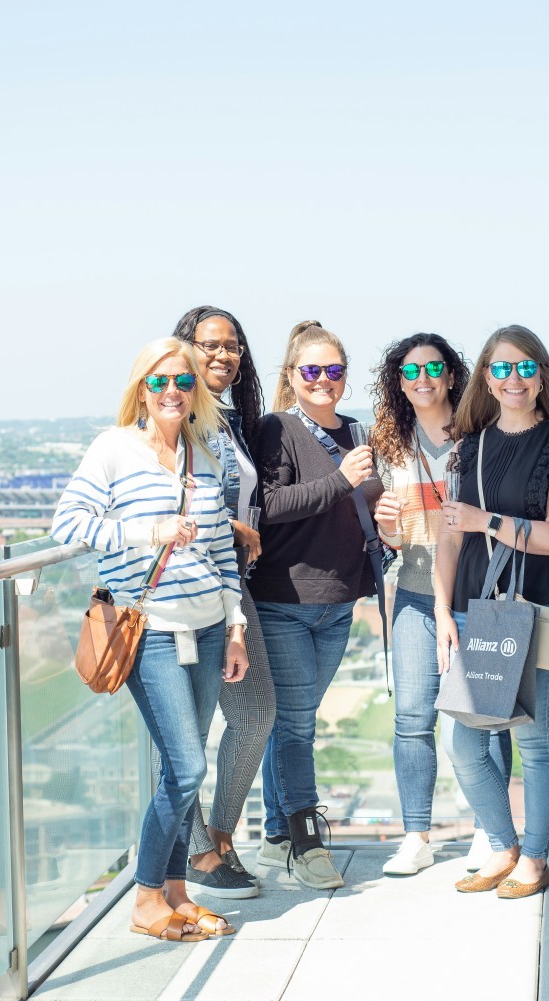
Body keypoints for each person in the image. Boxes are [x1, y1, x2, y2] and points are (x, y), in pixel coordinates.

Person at [51, 338, 248, 941]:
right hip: (151, 632)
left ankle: (177, 894)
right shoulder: (114, 448)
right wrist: (149, 529)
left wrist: (236, 626)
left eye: (183, 382)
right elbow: (68, 524)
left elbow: (220, 552)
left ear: (195, 393)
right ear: (141, 387)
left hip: (210, 627)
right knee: (187, 768)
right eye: (159, 381)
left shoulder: (206, 455)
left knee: (179, 768)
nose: (171, 391)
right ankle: (144, 899)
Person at [434, 325, 549, 899]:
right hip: (476, 608)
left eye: (524, 367)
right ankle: (503, 845)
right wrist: (444, 611)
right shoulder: (466, 447)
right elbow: (448, 539)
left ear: (541, 375)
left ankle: (536, 859)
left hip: (537, 603)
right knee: (466, 744)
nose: (513, 378)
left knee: (537, 741)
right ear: (486, 380)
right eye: (501, 368)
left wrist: (486, 522)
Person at [249, 320, 383, 890]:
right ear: (291, 376)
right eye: (312, 371)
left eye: (334, 370)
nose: (324, 380)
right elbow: (268, 504)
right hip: (284, 601)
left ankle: (276, 835)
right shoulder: (274, 429)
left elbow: (364, 508)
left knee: (290, 724)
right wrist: (339, 479)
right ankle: (307, 843)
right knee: (299, 726)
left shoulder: (358, 432)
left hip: (337, 604)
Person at [165, 307, 277, 900]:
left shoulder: (228, 421)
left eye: (232, 346)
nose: (222, 355)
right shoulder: (174, 414)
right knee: (191, 730)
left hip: (230, 587)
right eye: (210, 344)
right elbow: (159, 494)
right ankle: (194, 856)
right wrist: (230, 524)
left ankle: (216, 840)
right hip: (182, 590)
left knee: (254, 713)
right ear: (184, 348)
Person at [366, 332, 482, 876]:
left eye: (431, 369)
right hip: (413, 593)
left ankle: (489, 831)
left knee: (480, 716)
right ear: (399, 383)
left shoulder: (481, 431)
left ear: (452, 374)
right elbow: (392, 537)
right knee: (412, 717)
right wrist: (387, 526)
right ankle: (417, 836)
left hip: (475, 592)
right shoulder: (389, 443)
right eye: (409, 373)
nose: (422, 380)